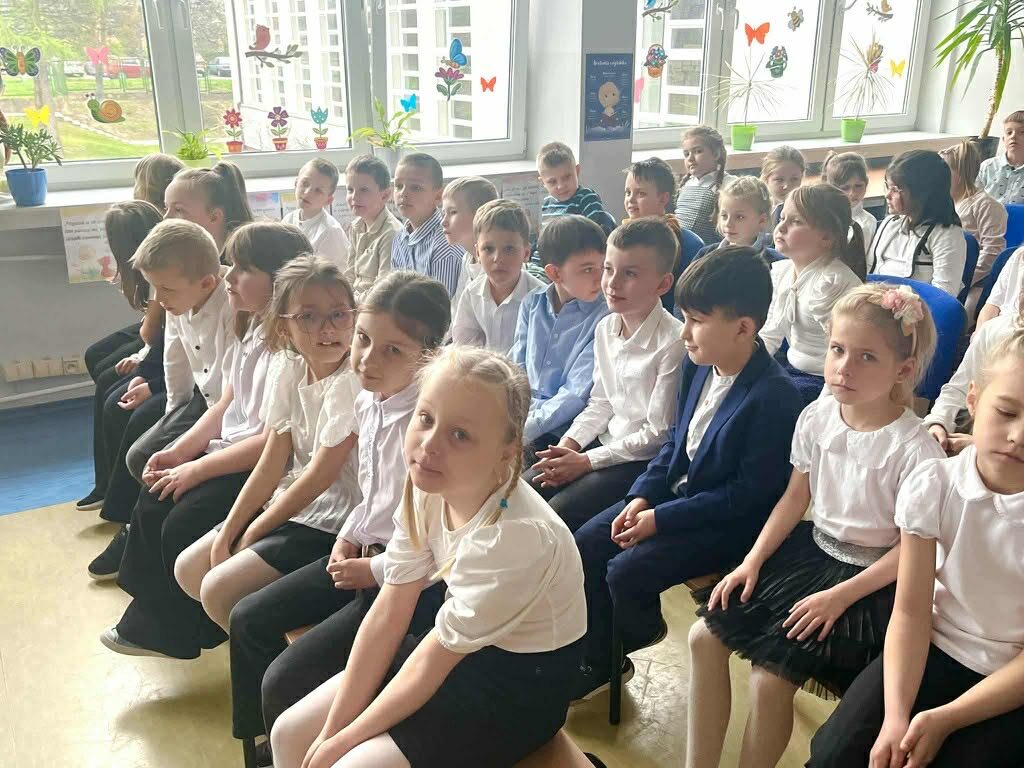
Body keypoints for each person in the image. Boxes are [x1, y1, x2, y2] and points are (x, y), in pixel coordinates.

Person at [269, 346, 587, 768]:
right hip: (454, 644)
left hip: (517, 683)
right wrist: (333, 730)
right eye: (425, 418)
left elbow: (435, 662)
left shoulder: (516, 536)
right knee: (290, 734)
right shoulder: (429, 484)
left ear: (507, 449)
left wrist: (341, 742)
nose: (429, 444)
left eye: (460, 435)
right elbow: (389, 612)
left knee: (347, 763)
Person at [686, 282, 942, 768]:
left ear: (903, 370)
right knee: (702, 638)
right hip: (811, 554)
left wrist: (839, 596)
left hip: (868, 581)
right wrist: (752, 561)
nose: (844, 367)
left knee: (769, 680)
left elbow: (911, 553)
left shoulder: (916, 452)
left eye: (867, 357)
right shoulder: (817, 416)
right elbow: (794, 497)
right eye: (838, 349)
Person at [226, 270, 451, 752]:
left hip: (415, 591)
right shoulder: (370, 400)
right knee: (248, 620)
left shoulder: (428, 429)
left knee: (284, 682)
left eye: (393, 350)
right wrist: (349, 534)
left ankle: (296, 747)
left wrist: (371, 569)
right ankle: (264, 749)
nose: (367, 359)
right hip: (369, 566)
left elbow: (436, 542)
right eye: (364, 340)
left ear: (429, 356)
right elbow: (373, 496)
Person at [572, 246, 803, 700]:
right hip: (677, 497)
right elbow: (674, 445)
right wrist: (641, 497)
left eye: (697, 321)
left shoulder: (775, 396)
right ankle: (600, 652)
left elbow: (746, 495)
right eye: (685, 318)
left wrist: (660, 519)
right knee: (586, 544)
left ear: (743, 328)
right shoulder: (696, 367)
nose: (684, 333)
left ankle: (636, 633)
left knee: (625, 571)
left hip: (726, 520)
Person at [807, 330, 1024, 768]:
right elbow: (910, 612)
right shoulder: (934, 485)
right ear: (974, 400)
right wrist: (896, 718)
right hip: (933, 645)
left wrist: (945, 718)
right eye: (1006, 412)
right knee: (836, 753)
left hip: (1009, 676)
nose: (1018, 436)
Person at [97, 222, 311, 659]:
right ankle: (155, 618)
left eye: (243, 269)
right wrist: (180, 451)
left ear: (280, 279)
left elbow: (269, 443)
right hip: (230, 450)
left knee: (181, 516)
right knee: (156, 491)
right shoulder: (250, 327)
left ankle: (180, 628)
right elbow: (225, 403)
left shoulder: (290, 350)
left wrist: (195, 469)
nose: (230, 276)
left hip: (260, 465)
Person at [174, 256, 361, 633]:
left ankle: (267, 650)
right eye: (308, 317)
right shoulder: (289, 366)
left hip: (336, 516)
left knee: (218, 590)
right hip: (293, 500)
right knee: (189, 569)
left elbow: (320, 477)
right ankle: (262, 640)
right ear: (283, 326)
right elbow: (273, 459)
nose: (328, 328)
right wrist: (231, 529)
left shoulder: (352, 379)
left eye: (339, 314)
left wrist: (253, 532)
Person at [526, 217, 685, 532]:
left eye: (630, 274)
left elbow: (657, 435)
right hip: (604, 442)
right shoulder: (605, 328)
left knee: (558, 512)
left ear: (663, 285)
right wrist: (568, 447)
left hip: (638, 459)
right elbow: (601, 402)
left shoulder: (673, 343)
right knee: (528, 487)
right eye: (608, 269)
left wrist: (586, 461)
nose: (612, 283)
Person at [78, 201, 165, 512]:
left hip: (158, 338)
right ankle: (104, 479)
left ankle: (112, 489)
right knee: (97, 356)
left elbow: (154, 334)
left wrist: (143, 358)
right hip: (156, 334)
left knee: (111, 386)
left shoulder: (164, 265)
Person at [509, 215, 609, 448]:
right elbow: (516, 367)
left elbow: (576, 392)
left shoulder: (604, 317)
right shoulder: (532, 304)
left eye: (603, 267)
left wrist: (522, 431)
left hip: (564, 429)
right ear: (555, 273)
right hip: (521, 413)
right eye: (588, 269)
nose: (601, 278)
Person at [761, 184, 865, 403]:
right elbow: (770, 334)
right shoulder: (783, 272)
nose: (781, 227)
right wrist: (744, 369)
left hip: (825, 381)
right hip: (791, 369)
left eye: (796, 221)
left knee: (768, 401)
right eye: (782, 217)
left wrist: (822, 410)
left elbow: (844, 355)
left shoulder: (832, 283)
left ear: (826, 237)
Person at [868, 150, 967, 297]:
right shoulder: (890, 223)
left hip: (918, 308)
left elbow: (943, 296)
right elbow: (869, 268)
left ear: (922, 194)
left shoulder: (947, 235)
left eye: (895, 190)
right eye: (887, 187)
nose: (887, 195)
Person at [451, 199, 542, 354]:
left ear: (526, 253)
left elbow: (539, 352)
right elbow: (464, 347)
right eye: (488, 249)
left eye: (509, 249)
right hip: (482, 368)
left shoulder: (541, 298)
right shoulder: (472, 295)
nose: (498, 258)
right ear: (477, 253)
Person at [623, 157, 704, 309]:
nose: (630, 199)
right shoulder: (621, 236)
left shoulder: (687, 243)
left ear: (663, 198)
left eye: (641, 193)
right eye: (628, 192)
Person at [940, 140, 1009, 317]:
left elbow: (992, 251)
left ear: (961, 172)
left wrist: (965, 278)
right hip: (947, 271)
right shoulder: (942, 202)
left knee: (960, 315)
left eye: (945, 170)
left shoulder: (986, 205)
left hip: (975, 281)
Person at [390, 153, 464, 297]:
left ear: (438, 196)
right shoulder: (400, 238)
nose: (403, 193)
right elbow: (394, 294)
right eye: (398, 186)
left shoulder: (445, 249)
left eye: (416, 188)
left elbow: (441, 307)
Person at [343, 155, 402, 298]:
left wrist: (350, 304)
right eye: (350, 189)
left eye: (364, 190)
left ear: (385, 195)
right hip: (354, 302)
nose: (354, 197)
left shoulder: (392, 234)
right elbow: (350, 274)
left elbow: (382, 291)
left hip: (374, 306)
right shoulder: (356, 226)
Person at [694, 177, 783, 264]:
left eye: (739, 217)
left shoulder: (776, 263)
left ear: (761, 221)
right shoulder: (705, 255)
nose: (728, 224)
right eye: (724, 216)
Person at [674, 125, 736, 246]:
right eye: (686, 154)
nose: (690, 158)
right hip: (679, 246)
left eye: (698, 151)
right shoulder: (686, 184)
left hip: (708, 249)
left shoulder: (729, 185)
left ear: (716, 153)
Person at [284, 158, 350, 268]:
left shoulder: (330, 232)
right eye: (305, 183)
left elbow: (323, 275)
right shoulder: (288, 219)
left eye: (318, 190)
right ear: (296, 183)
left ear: (328, 200)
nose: (307, 193)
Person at [822, 151, 878, 267]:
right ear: (832, 188)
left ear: (866, 183)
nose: (852, 193)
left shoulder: (867, 222)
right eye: (845, 188)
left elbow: (862, 263)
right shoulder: (820, 215)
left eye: (858, 186)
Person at [977, 110, 1024, 205]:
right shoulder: (987, 166)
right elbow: (974, 199)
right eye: (1009, 132)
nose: (1013, 136)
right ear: (1003, 139)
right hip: (987, 214)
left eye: (1022, 132)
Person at [761, 145, 806, 234]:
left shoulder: (808, 213)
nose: (787, 186)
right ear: (766, 179)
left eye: (794, 179)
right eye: (779, 180)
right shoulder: (756, 212)